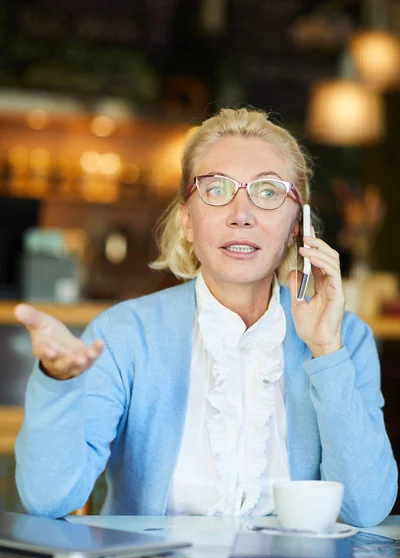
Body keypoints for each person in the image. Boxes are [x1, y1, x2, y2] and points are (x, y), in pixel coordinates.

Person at [14, 107, 397, 526]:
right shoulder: (125, 334)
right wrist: (58, 384)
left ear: (296, 228)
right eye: (216, 189)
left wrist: (327, 352)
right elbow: (46, 499)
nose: (241, 214)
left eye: (268, 192)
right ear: (187, 221)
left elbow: (366, 508)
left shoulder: (346, 338)